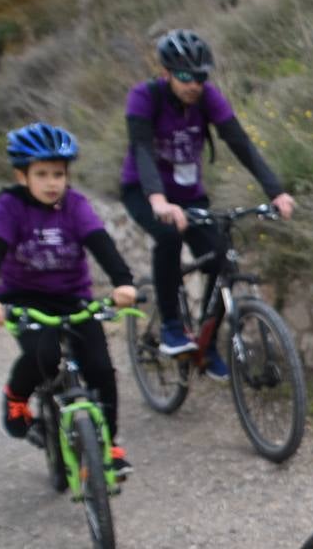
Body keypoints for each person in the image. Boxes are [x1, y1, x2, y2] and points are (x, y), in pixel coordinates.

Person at [120, 28, 295, 379]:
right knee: (168, 237)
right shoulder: (145, 97)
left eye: (200, 76)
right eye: (185, 76)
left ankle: (205, 344)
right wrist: (157, 200)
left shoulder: (207, 99)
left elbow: (240, 143)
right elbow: (141, 148)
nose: (194, 84)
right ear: (166, 73)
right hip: (144, 190)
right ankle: (170, 325)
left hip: (189, 195)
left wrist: (275, 191)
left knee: (219, 255)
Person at [0, 123, 137, 475]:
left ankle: (108, 443)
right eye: (42, 174)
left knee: (99, 368)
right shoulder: (10, 206)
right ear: (22, 176)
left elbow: (100, 242)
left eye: (58, 174)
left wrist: (123, 282)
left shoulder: (75, 205)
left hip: (72, 297)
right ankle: (16, 399)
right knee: (42, 354)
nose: (52, 182)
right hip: (24, 297)